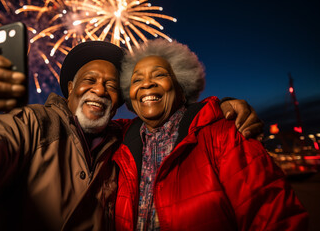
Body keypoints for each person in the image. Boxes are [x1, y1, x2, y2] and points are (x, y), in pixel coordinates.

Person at [0, 40, 261, 230]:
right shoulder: (33, 123)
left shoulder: (124, 140)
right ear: (71, 88)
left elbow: (173, 121)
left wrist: (223, 106)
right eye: (89, 81)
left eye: (111, 85)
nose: (100, 90)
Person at [112, 39, 308, 230]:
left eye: (159, 75)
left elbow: (276, 219)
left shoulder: (226, 135)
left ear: (182, 87)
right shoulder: (118, 141)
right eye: (137, 79)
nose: (146, 84)